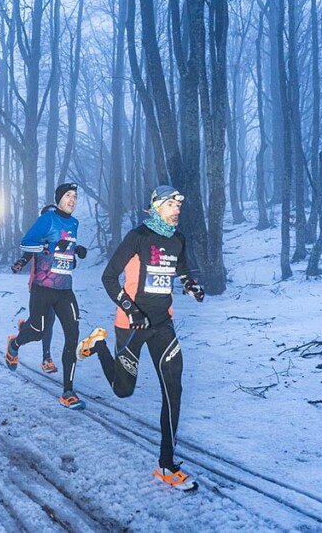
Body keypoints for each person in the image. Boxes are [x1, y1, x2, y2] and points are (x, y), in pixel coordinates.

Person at [77, 185, 205, 490]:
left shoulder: (177, 240)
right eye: (172, 204)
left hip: (163, 324)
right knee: (123, 390)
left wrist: (192, 287)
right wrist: (131, 310)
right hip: (130, 324)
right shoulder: (138, 237)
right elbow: (108, 277)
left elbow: (182, 272)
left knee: (174, 389)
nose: (177, 209)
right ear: (157, 206)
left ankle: (166, 465)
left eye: (179, 205)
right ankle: (98, 345)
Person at [4, 183, 88, 409]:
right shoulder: (47, 220)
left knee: (73, 335)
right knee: (38, 331)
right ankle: (15, 342)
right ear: (59, 198)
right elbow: (26, 243)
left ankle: (68, 391)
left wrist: (75, 253)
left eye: (75, 196)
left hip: (65, 289)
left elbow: (67, 257)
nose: (72, 200)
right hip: (42, 288)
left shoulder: (74, 223)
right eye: (68, 195)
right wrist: (48, 247)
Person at [11, 204, 60, 373]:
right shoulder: (38, 238)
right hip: (38, 285)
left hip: (58, 285)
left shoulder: (61, 237)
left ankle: (46, 358)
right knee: (42, 322)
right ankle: (25, 330)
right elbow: (27, 254)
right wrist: (20, 264)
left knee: (49, 320)